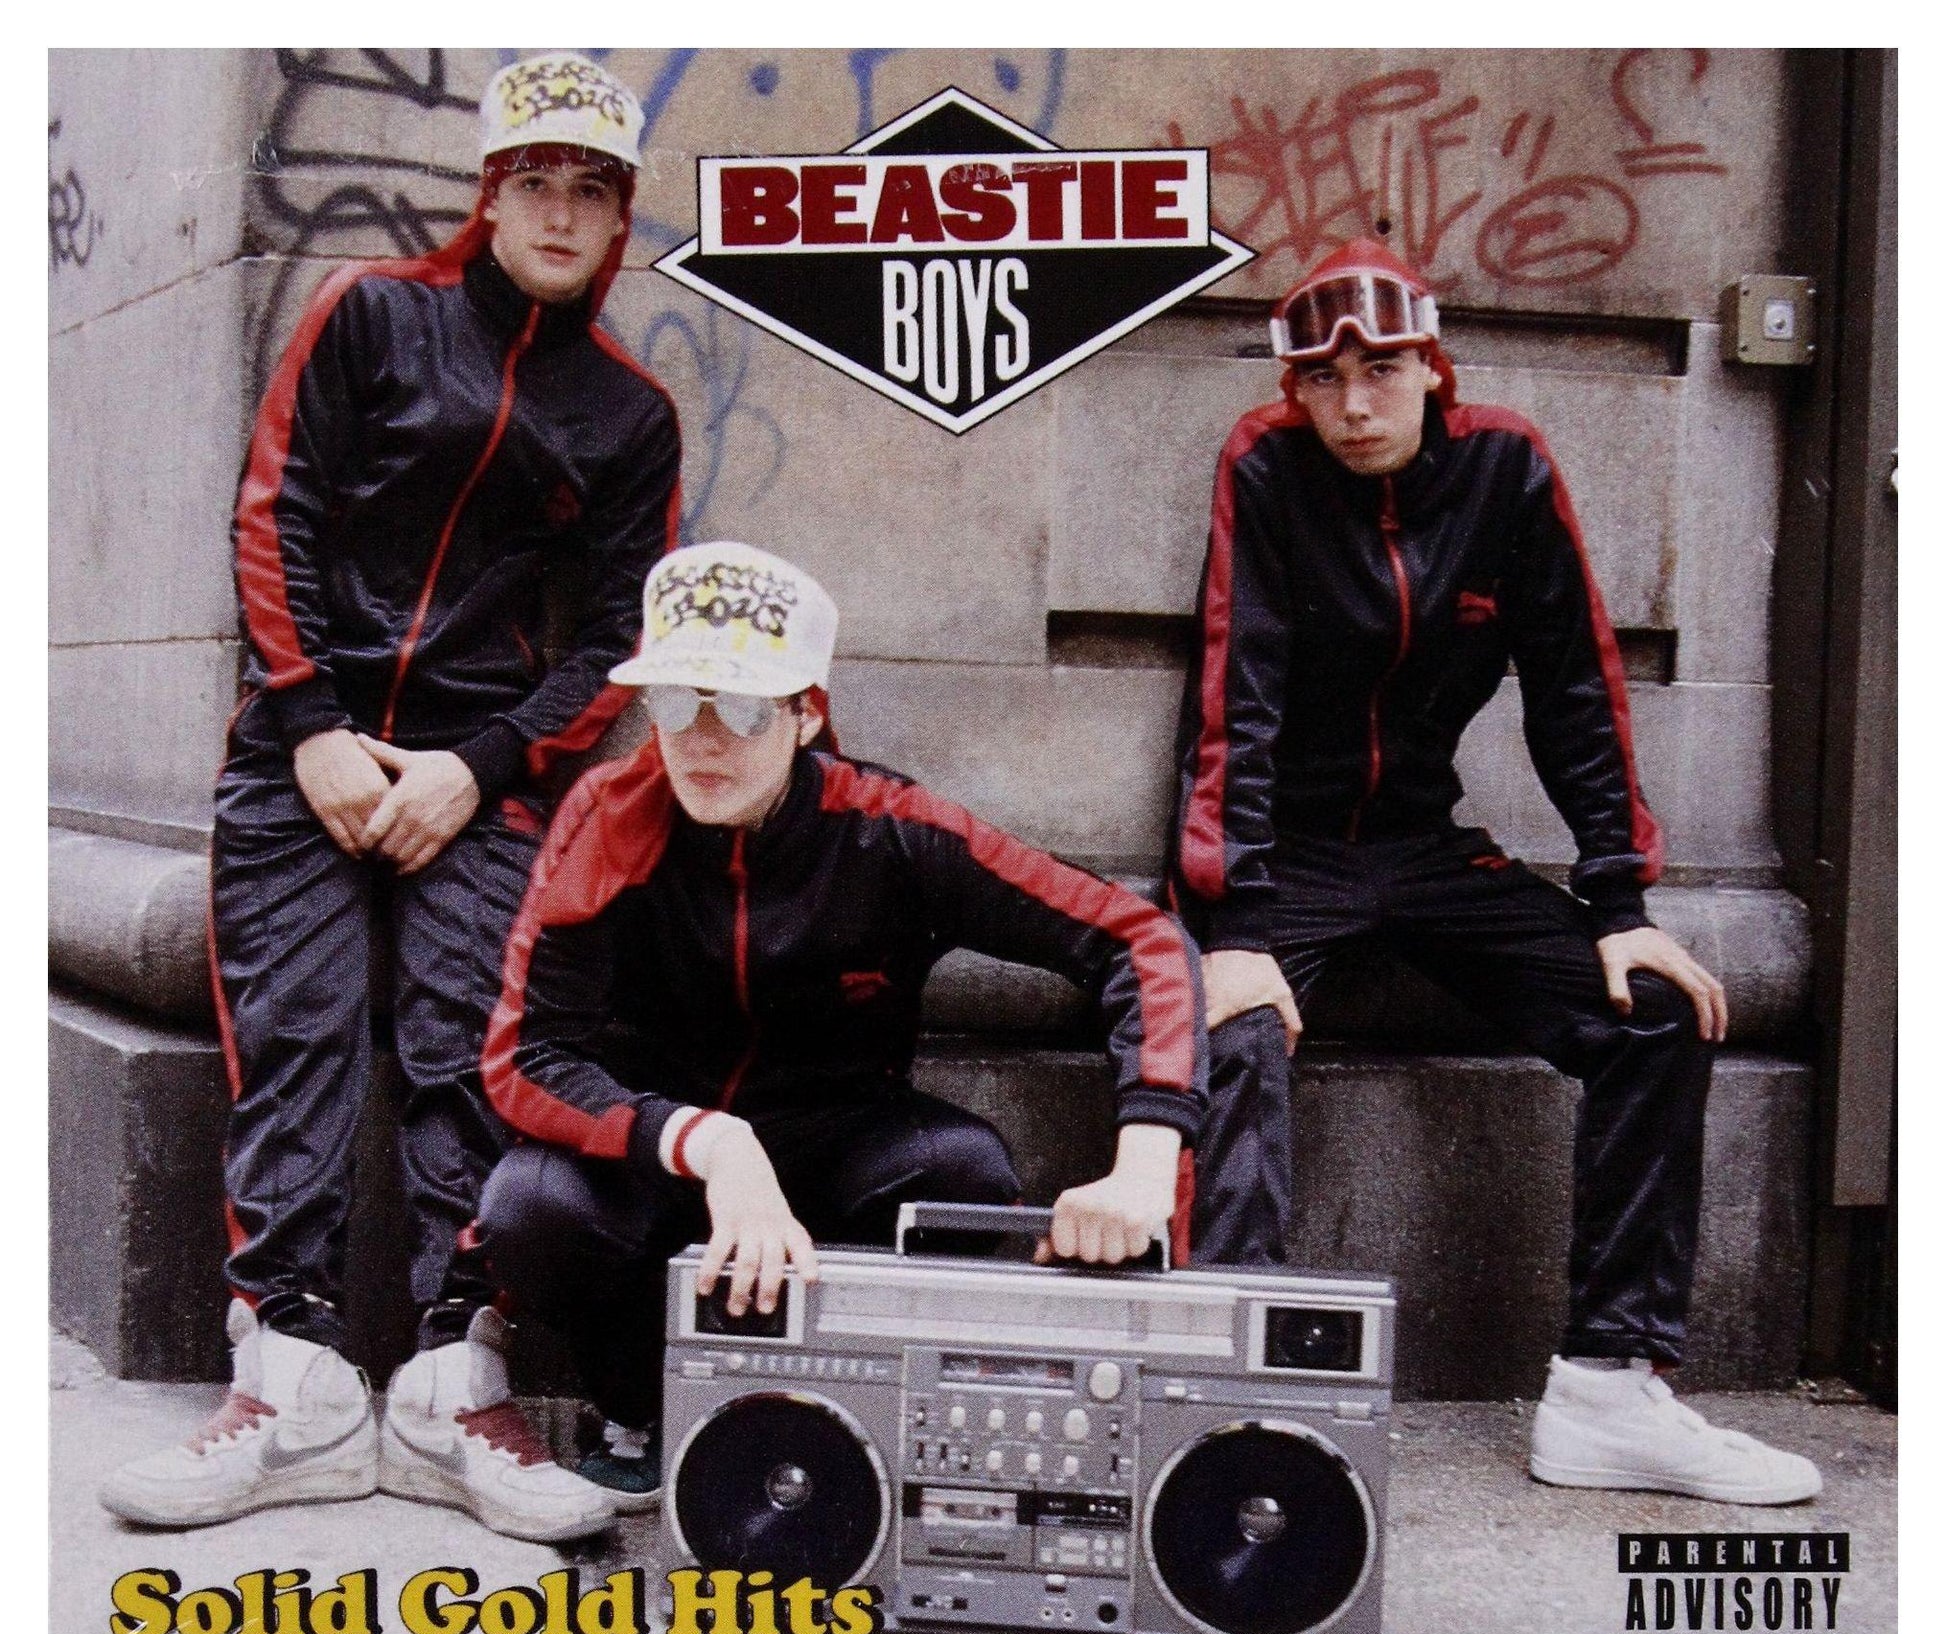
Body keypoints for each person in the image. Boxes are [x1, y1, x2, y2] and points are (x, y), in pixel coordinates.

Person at [100, 53, 682, 1544]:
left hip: (478, 769)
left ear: (621, 216)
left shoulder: (628, 411)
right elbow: (274, 510)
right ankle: (288, 1390)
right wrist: (311, 724)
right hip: (305, 744)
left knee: (469, 1055)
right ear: (489, 193)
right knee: (292, 1038)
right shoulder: (372, 313)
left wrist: (477, 767)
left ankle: (449, 1394)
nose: (560, 213)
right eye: (534, 181)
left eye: (592, 190)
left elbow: (624, 636)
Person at [1168, 238, 1819, 1504]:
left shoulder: (1506, 468)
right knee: (1223, 1027)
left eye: (1381, 370)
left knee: (1653, 1013)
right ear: (1293, 391)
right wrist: (1232, 923)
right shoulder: (1263, 464)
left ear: (1432, 367)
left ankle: (1606, 1392)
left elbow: (1575, 686)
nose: (1354, 406)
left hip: (1423, 847)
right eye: (1322, 380)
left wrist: (1618, 904)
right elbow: (1229, 695)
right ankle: (1234, 1394)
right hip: (1277, 857)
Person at [474, 540, 1207, 1510]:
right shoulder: (609, 814)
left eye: (741, 707)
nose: (701, 739)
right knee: (529, 1205)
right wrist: (705, 1141)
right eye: (676, 700)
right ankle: (637, 1410)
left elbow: (1136, 937)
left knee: (963, 1172)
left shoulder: (889, 828)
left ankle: (832, 1407)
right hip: (663, 1158)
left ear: (805, 713)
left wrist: (1148, 1157)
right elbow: (525, 1057)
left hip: (832, 1156)